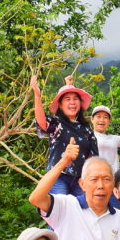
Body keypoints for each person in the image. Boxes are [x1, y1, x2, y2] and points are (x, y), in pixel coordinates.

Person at [30, 74, 98, 208]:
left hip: (80, 180)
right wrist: (37, 96)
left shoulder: (87, 129)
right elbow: (42, 123)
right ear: (60, 105)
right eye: (67, 99)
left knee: (82, 212)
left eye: (75, 99)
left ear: (80, 103)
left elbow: (93, 158)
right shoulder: (57, 123)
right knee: (59, 211)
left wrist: (92, 181)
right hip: (58, 177)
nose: (72, 102)